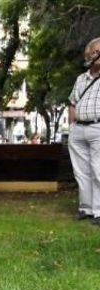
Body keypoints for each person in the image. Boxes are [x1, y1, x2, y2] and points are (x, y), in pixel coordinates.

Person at [68, 37, 100, 225]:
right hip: (78, 129)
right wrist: (72, 126)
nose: (95, 56)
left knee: (98, 169)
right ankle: (86, 208)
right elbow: (72, 102)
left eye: (98, 52)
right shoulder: (81, 78)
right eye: (93, 53)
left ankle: (99, 211)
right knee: (81, 171)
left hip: (98, 127)